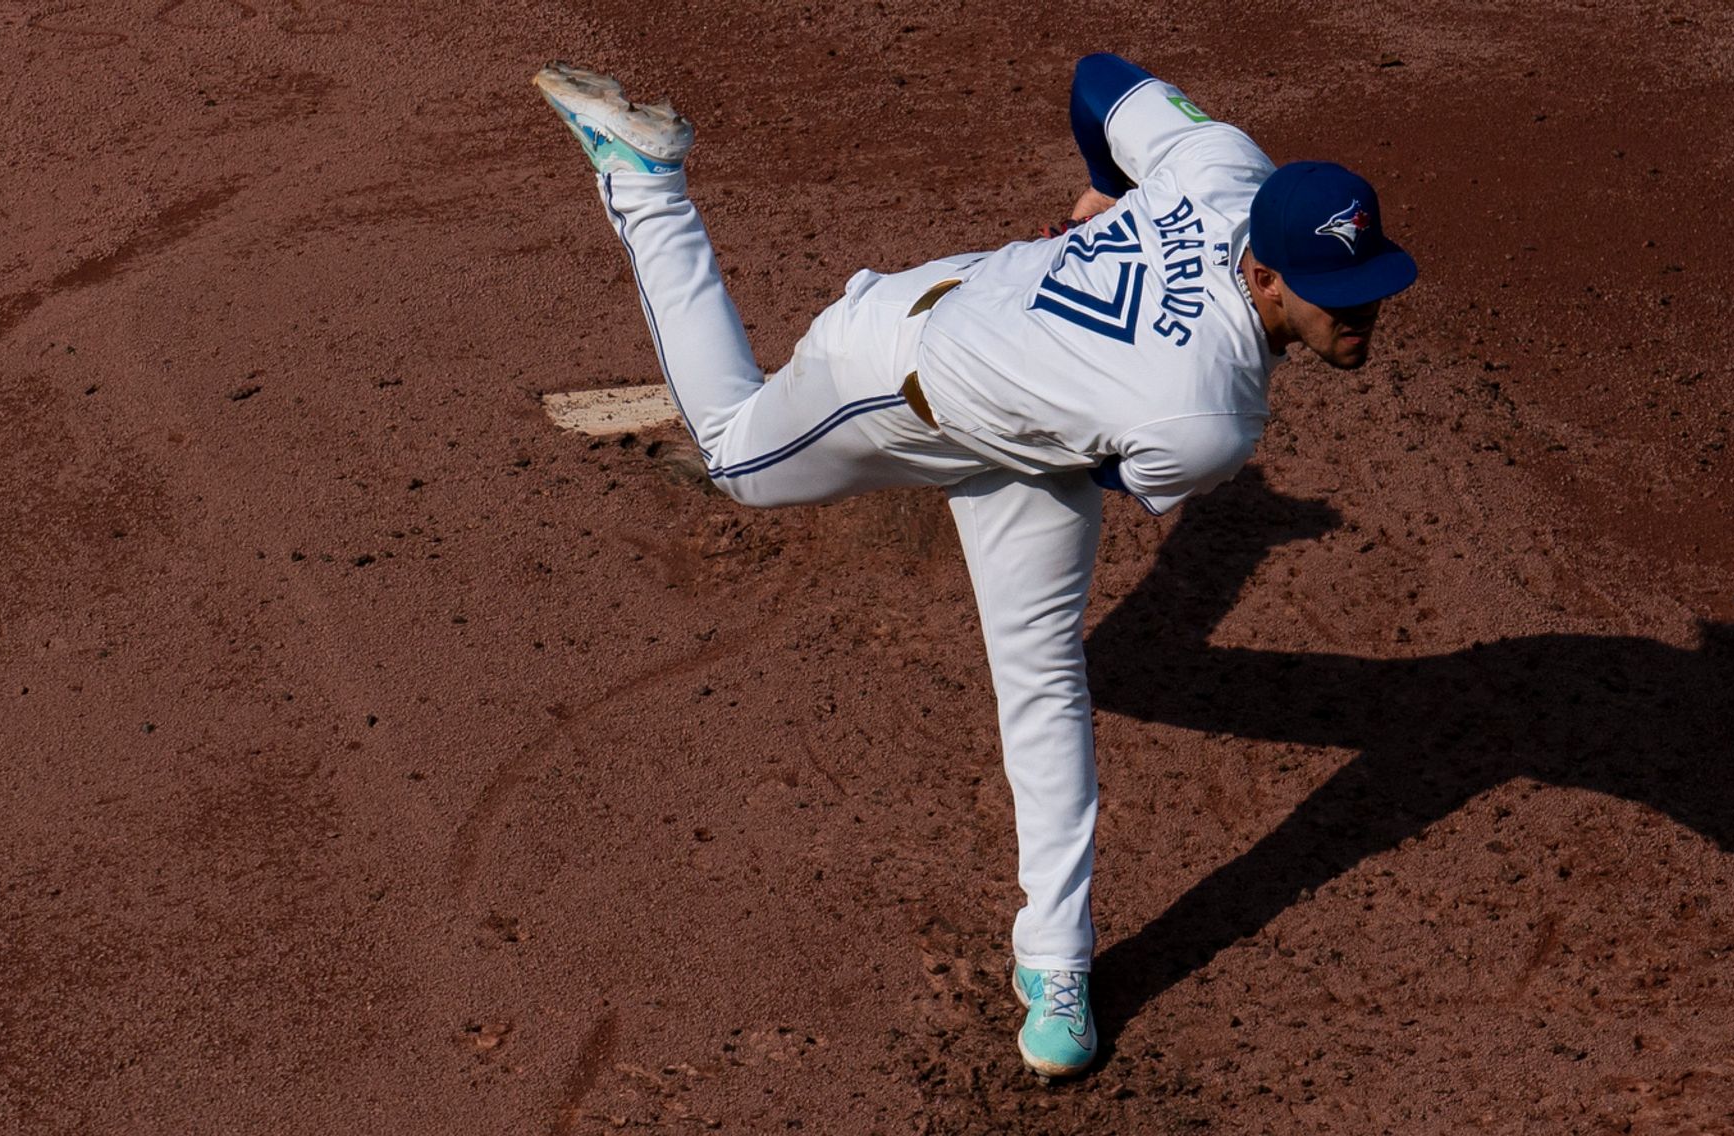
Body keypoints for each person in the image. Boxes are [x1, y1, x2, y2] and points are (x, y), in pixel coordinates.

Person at [532, 54, 1420, 1077]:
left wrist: (1114, 189)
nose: (1362, 314)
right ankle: (646, 179)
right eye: (1336, 295)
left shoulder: (1225, 168)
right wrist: (1112, 227)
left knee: (1045, 681)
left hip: (1017, 377)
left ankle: (1056, 967)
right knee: (735, 456)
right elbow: (1122, 462)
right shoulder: (1209, 417)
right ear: (1262, 272)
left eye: (1372, 286)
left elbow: (1103, 82)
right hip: (899, 370)